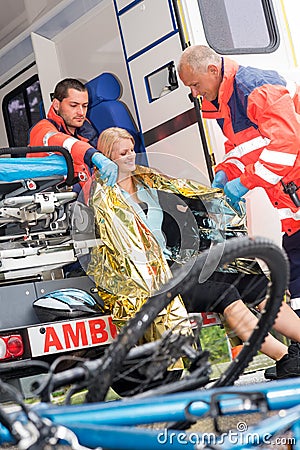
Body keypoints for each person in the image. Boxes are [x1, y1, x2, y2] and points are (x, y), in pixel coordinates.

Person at [87, 126, 300, 380]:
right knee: (225, 293)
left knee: (251, 280)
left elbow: (188, 201)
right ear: (108, 156)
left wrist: (217, 200)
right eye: (124, 153)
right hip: (155, 278)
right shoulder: (105, 198)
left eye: (133, 150)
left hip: (183, 264)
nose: (132, 156)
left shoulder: (149, 180)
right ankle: (286, 359)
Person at [177, 45, 300, 323]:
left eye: (195, 85)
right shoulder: (227, 100)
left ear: (212, 70)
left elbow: (286, 145)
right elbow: (241, 149)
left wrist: (243, 183)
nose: (194, 93)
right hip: (290, 197)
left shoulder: (256, 90)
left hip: (294, 187)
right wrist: (225, 173)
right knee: (295, 265)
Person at [29, 78, 118, 188]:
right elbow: (61, 142)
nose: (81, 112)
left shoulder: (87, 131)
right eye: (73, 105)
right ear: (56, 105)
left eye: (84, 106)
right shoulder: (42, 129)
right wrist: (92, 155)